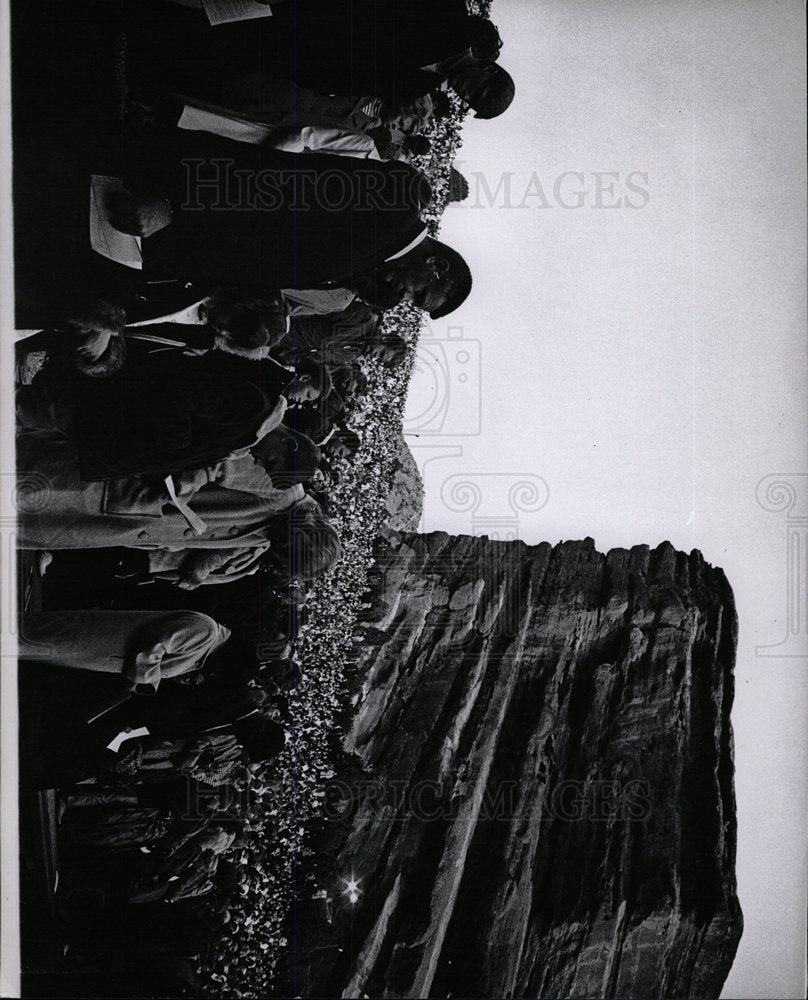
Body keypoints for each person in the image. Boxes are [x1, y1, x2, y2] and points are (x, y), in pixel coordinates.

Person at [18, 610, 231, 694]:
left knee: (30, 644)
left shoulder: (206, 649)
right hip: (99, 639)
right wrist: (148, 679)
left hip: (98, 650)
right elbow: (155, 645)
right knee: (28, 637)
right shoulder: (206, 631)